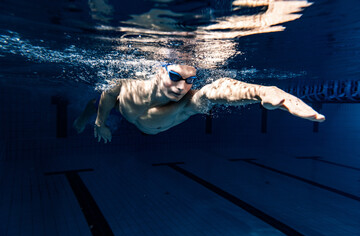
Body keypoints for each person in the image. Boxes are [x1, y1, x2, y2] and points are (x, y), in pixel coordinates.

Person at [73, 64, 325, 143]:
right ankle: (85, 116)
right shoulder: (130, 87)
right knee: (98, 103)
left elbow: (213, 91)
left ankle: (263, 92)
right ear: (158, 73)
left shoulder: (186, 99)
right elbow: (106, 95)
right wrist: (99, 123)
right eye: (174, 77)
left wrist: (258, 91)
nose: (182, 87)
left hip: (164, 120)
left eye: (189, 80)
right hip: (134, 115)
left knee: (204, 97)